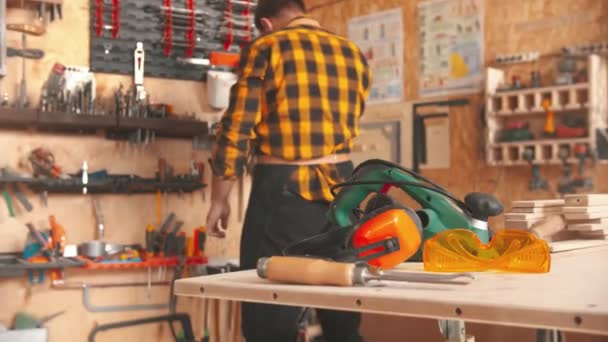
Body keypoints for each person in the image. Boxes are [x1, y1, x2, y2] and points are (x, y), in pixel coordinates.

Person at [206, 0, 371, 340]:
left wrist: (219, 200)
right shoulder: (351, 52)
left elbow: (236, 131)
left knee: (268, 309)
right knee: (342, 315)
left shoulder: (266, 47)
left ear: (265, 24)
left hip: (284, 189)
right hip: (345, 189)